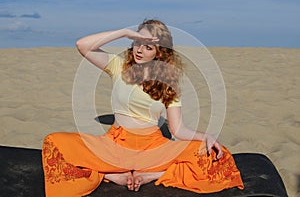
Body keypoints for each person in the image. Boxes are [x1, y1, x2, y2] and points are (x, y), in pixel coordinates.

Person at [42, 19, 244, 196]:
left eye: (148, 47)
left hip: (151, 148)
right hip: (114, 146)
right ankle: (112, 175)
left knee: (211, 153)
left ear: (159, 53)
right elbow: (83, 45)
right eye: (137, 43)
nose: (139, 50)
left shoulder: (168, 85)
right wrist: (123, 32)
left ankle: (154, 174)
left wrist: (205, 136)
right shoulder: (119, 66)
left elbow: (178, 130)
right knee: (54, 142)